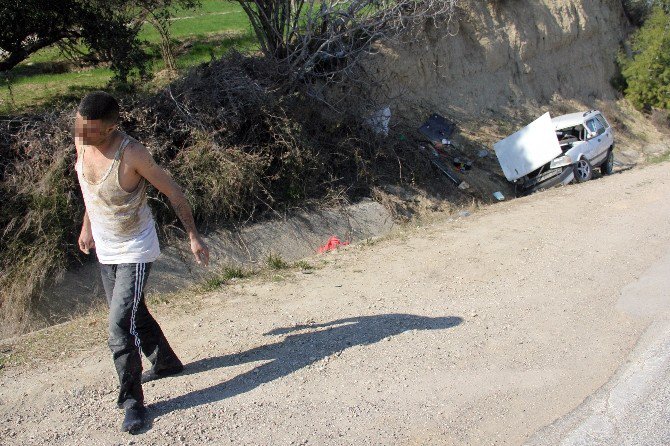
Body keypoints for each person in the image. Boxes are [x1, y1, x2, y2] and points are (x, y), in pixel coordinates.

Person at [74, 91, 210, 433]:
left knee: (119, 326)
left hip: (134, 247)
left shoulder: (131, 153)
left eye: (92, 129)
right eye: (81, 126)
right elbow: (87, 187)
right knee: (133, 312)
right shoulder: (81, 138)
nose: (84, 134)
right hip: (105, 246)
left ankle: (132, 401)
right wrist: (87, 226)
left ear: (111, 127)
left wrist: (193, 236)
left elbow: (174, 193)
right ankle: (165, 362)